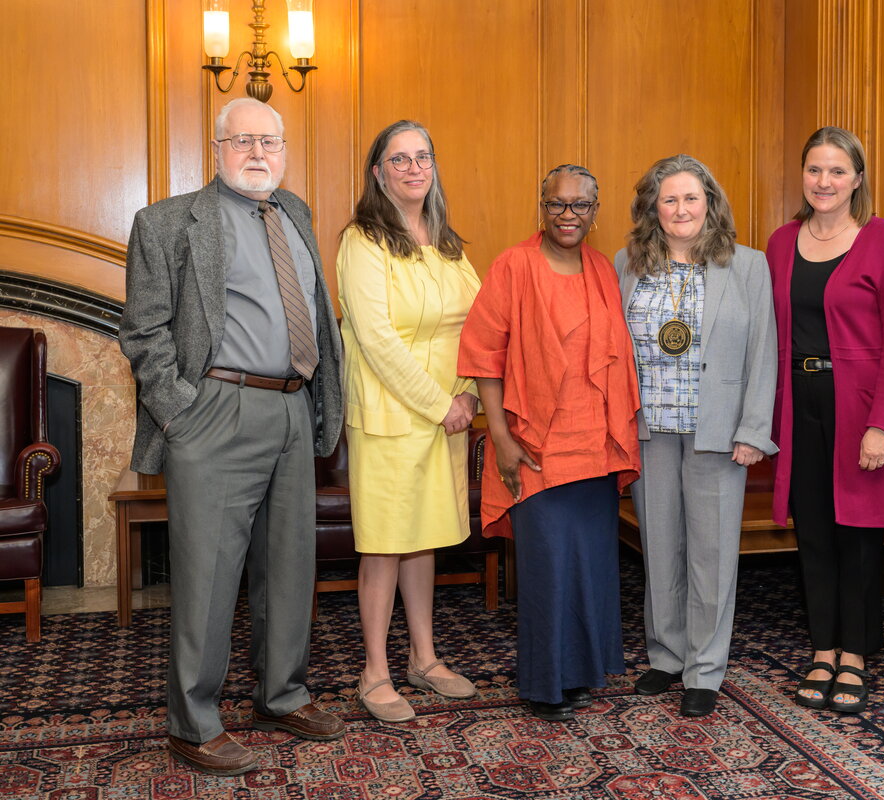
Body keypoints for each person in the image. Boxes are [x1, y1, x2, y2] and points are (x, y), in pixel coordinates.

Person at [119, 97, 345, 776]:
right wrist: (180, 413)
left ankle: (282, 694)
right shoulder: (167, 222)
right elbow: (144, 331)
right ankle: (194, 722)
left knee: (288, 563)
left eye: (270, 142)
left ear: (284, 150)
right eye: (243, 140)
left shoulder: (296, 212)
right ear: (216, 149)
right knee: (208, 576)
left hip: (291, 408)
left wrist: (320, 405)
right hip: (214, 410)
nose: (258, 153)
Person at [458, 165, 641, 722]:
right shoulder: (514, 265)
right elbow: (484, 357)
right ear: (542, 207)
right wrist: (503, 438)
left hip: (595, 448)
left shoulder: (602, 269)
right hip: (535, 446)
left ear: (595, 211)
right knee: (546, 567)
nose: (568, 215)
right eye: (558, 205)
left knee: (590, 566)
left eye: (580, 206)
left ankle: (581, 673)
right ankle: (544, 684)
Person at [615, 154, 777, 718]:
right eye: (669, 199)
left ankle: (705, 668)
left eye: (691, 198)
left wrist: (754, 428)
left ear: (709, 202)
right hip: (651, 430)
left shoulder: (748, 266)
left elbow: (765, 353)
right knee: (659, 549)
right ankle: (665, 656)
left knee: (711, 556)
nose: (681, 209)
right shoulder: (628, 264)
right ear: (652, 209)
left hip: (718, 432)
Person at [765, 127, 884, 714]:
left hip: (861, 407)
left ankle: (855, 655)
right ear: (802, 176)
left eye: (836, 171)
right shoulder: (781, 242)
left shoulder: (882, 241)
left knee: (858, 534)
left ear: (857, 178)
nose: (823, 182)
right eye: (814, 170)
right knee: (815, 532)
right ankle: (822, 649)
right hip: (797, 404)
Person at [336, 120, 480, 723]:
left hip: (448, 414)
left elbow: (480, 321)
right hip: (392, 416)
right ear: (378, 172)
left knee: (426, 539)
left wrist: (469, 394)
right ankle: (375, 672)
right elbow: (376, 339)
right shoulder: (361, 241)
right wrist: (441, 403)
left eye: (423, 156)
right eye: (400, 159)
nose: (414, 168)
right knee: (386, 545)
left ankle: (424, 657)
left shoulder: (446, 239)